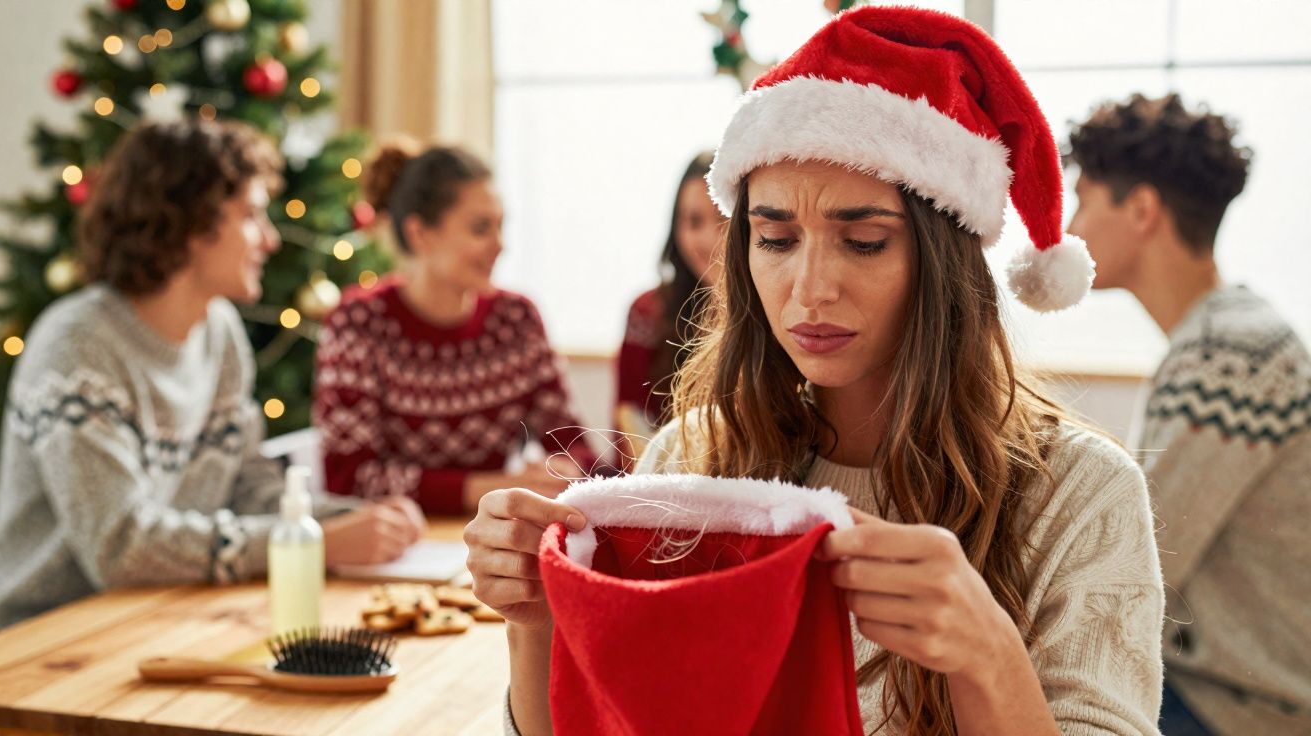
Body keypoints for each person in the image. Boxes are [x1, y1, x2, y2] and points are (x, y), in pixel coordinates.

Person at [466, 8, 1164, 735]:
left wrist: (987, 656)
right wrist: (536, 623)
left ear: (944, 262)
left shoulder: (1081, 495)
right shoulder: (694, 460)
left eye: (862, 242)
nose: (809, 289)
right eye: (774, 237)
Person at [0, 120, 424, 629]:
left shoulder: (218, 330)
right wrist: (321, 541)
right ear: (189, 223)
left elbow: (245, 487)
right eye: (250, 216)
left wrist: (355, 519)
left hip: (160, 613)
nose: (269, 240)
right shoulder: (77, 346)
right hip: (47, 637)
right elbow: (118, 547)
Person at [1067, 93, 1311, 735]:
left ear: (1142, 209)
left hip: (1241, 708)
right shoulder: (1225, 338)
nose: (1069, 226)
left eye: (1084, 199)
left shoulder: (1229, 354)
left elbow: (1133, 564)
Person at [314, 142, 600, 516]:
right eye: (481, 229)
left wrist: (566, 469)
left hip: (494, 534)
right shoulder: (357, 324)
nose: (500, 245)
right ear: (420, 234)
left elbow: (575, 446)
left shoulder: (517, 319)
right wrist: (493, 488)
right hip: (398, 544)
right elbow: (350, 478)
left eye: (500, 226)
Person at [613, 151, 724, 466]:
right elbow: (626, 432)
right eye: (693, 221)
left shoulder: (778, 314)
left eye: (723, 218)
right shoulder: (647, 312)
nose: (710, 237)